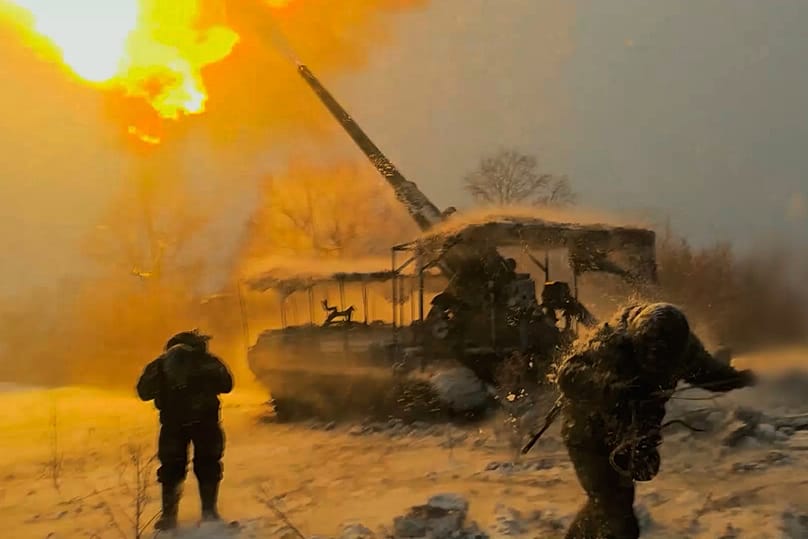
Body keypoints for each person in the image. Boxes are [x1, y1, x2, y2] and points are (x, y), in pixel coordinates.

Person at [554, 302, 756, 538]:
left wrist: (741, 379)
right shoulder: (611, 343)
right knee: (616, 515)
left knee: (613, 503)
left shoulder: (684, 349)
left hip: (633, 428)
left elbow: (710, 374)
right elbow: (568, 374)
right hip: (586, 428)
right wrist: (612, 389)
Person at [136, 330, 233, 530]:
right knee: (208, 466)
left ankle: (169, 516)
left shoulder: (160, 364)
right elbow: (227, 385)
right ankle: (209, 513)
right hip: (205, 423)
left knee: (171, 469)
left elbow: (143, 391)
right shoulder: (207, 361)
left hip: (173, 425)